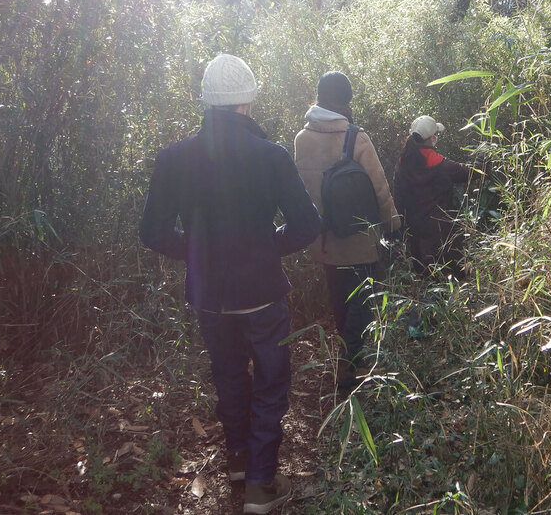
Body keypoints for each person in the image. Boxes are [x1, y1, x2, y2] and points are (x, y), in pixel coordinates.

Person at [139, 54, 321, 514]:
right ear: (247, 103)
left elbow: (154, 233)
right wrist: (262, 247)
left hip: (209, 295)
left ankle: (240, 463)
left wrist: (204, 252)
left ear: (206, 104)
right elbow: (306, 225)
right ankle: (260, 484)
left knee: (228, 378)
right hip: (261, 294)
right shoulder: (271, 155)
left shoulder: (173, 158)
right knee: (271, 383)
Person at [293, 72, 400, 392]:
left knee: (340, 299)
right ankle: (351, 363)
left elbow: (303, 192)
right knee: (364, 299)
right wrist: (393, 225)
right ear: (346, 100)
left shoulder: (302, 138)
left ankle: (347, 357)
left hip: (324, 240)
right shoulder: (356, 137)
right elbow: (380, 188)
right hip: (359, 238)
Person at [393, 115, 475, 280]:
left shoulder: (401, 164)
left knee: (426, 282)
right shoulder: (439, 164)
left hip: (416, 235)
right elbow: (471, 172)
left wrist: (399, 231)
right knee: (455, 280)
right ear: (432, 137)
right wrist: (482, 156)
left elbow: (398, 200)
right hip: (444, 234)